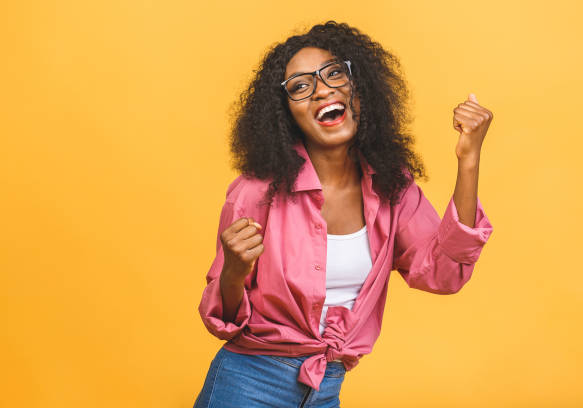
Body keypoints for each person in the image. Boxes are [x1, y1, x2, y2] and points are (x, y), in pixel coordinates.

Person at [194, 21, 494, 408]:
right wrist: (235, 269)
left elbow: (444, 273)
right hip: (248, 384)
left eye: (334, 73)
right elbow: (221, 319)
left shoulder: (393, 189)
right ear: (286, 114)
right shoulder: (256, 192)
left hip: (326, 388)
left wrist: (468, 160)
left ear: (359, 89)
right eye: (301, 86)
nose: (321, 89)